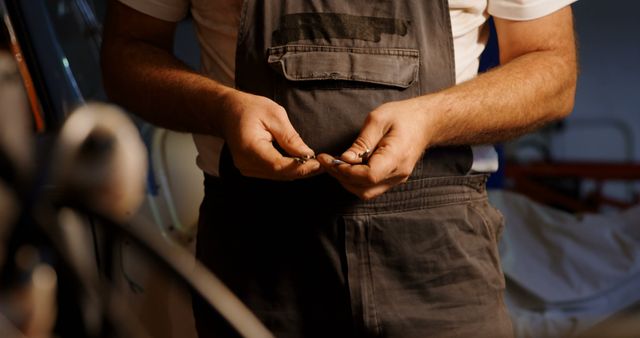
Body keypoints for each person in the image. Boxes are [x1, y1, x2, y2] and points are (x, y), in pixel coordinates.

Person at [101, 0, 578, 337]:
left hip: (440, 259)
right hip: (258, 254)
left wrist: (431, 119)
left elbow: (552, 69)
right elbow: (127, 50)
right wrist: (221, 108)